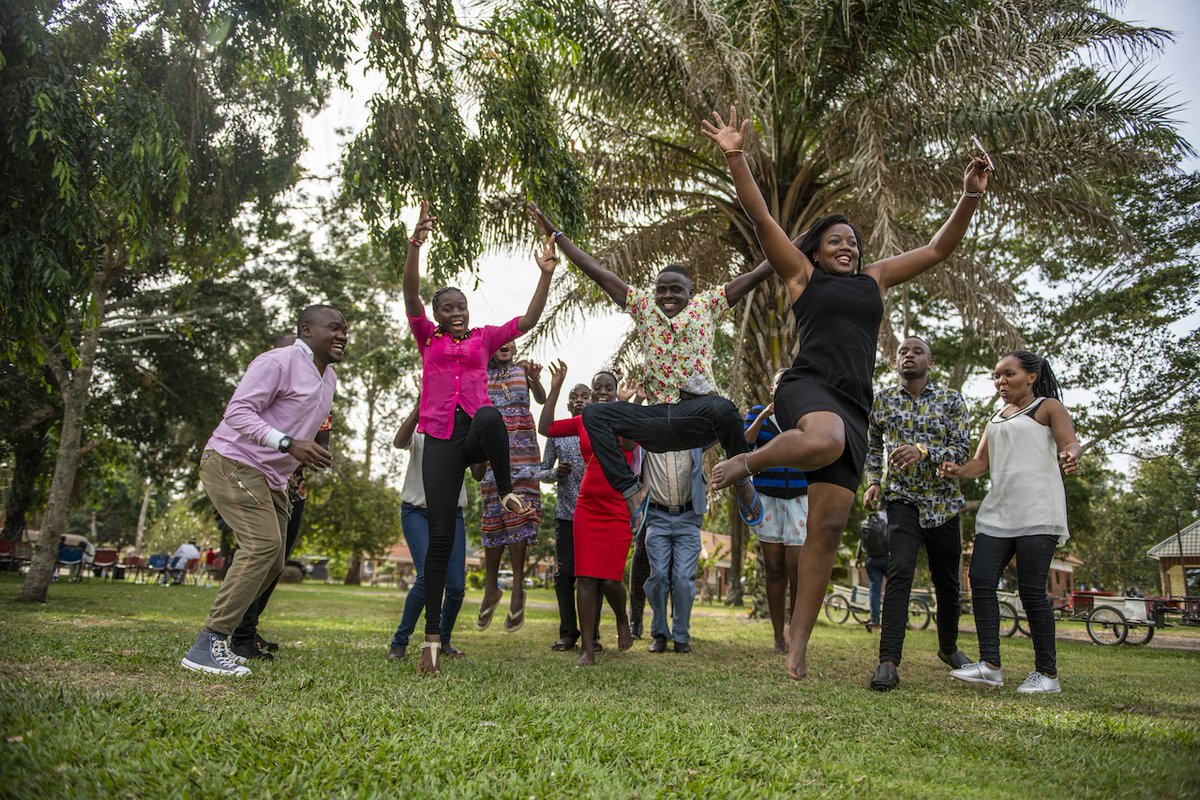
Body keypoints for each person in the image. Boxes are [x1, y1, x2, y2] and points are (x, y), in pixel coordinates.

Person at [702, 105, 990, 679]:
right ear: (814, 249)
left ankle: (799, 644)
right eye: (837, 240)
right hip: (807, 388)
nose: (849, 247)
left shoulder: (875, 278)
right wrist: (736, 156)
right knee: (824, 435)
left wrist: (970, 197)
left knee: (829, 528)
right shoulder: (801, 278)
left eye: (853, 241)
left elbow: (936, 251)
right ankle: (747, 461)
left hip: (856, 406)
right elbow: (763, 221)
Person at [526, 202, 776, 534]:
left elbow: (759, 272)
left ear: (691, 293)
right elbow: (597, 271)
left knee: (726, 409)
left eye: (676, 290)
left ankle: (743, 482)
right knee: (594, 415)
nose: (667, 295)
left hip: (696, 415)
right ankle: (632, 493)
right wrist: (557, 236)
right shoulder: (643, 307)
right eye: (661, 290)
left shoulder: (709, 305)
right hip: (657, 420)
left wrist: (802, 242)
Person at [404, 200, 555, 675]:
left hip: (475, 433)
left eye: (459, 306)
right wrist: (415, 245)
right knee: (442, 541)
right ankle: (431, 641)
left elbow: (527, 321)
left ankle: (507, 493)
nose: (453, 312)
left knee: (491, 416)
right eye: (444, 307)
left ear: (468, 310)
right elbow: (409, 295)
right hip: (440, 443)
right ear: (436, 313)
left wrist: (546, 274)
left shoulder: (486, 338)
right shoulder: (427, 339)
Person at [181, 304, 345, 676]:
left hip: (273, 477)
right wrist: (288, 443)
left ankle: (225, 640)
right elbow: (237, 413)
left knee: (273, 559)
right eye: (333, 328)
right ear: (306, 329)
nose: (341, 335)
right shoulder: (278, 361)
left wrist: (316, 448)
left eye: (345, 330)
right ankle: (207, 643)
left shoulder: (329, 377)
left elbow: (312, 425)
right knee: (262, 546)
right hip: (232, 461)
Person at [940, 351, 1080, 694]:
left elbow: (1069, 442)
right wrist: (957, 471)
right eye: (997, 377)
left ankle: (1047, 675)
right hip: (998, 512)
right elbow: (979, 462)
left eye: (1009, 375)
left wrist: (1072, 455)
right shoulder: (996, 418)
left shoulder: (1048, 407)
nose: (1001, 382)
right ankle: (990, 666)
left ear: (1031, 376)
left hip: (1038, 510)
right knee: (981, 579)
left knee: (1032, 591)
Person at [864, 336, 972, 691]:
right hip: (903, 500)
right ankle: (888, 661)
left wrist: (924, 450)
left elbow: (961, 446)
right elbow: (873, 446)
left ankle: (948, 648)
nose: (909, 355)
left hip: (943, 504)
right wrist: (874, 482)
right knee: (899, 573)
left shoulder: (950, 400)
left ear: (931, 361)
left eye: (918, 351)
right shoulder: (882, 401)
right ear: (896, 362)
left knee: (948, 582)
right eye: (903, 352)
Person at [228, 332, 333, 661]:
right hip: (250, 474)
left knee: (276, 558)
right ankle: (235, 632)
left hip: (292, 484)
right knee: (257, 553)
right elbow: (239, 420)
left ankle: (248, 629)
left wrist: (317, 449)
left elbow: (321, 442)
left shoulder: (320, 387)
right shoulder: (270, 374)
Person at [539, 368, 638, 666]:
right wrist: (554, 388)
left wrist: (624, 406)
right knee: (584, 577)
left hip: (617, 505)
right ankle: (587, 650)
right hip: (587, 506)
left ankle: (622, 619)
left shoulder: (624, 419)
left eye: (609, 387)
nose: (603, 392)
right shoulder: (583, 421)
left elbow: (630, 445)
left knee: (609, 581)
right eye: (599, 388)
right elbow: (546, 428)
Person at [388, 400, 469, 661]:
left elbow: (478, 471)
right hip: (417, 511)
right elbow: (399, 442)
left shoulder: (463, 427)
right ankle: (400, 641)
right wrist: (418, 408)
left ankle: (443, 640)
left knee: (456, 586)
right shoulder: (422, 424)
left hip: (452, 513)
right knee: (427, 577)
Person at [476, 343, 545, 633]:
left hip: (525, 451)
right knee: (494, 516)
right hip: (492, 451)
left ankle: (517, 587)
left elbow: (540, 399)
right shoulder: (480, 375)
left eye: (511, 343)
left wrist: (536, 378)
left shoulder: (523, 370)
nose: (505, 346)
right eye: (499, 343)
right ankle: (491, 588)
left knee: (520, 515)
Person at [744, 368, 810, 653]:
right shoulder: (757, 412)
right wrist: (763, 415)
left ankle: (795, 633)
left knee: (796, 568)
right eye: (778, 383)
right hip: (767, 497)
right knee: (773, 569)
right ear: (771, 388)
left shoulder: (805, 417)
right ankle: (777, 635)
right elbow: (746, 442)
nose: (783, 387)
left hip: (799, 497)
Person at [538, 363, 598, 651]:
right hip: (565, 517)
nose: (579, 400)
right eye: (575, 396)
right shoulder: (558, 433)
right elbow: (541, 470)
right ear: (568, 403)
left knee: (592, 577)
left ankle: (592, 635)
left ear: (592, 400)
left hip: (594, 516)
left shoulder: (599, 429)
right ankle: (567, 633)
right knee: (564, 576)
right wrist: (555, 473)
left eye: (584, 396)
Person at [642, 444, 708, 654]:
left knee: (682, 578)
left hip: (688, 517)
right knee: (659, 575)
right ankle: (659, 633)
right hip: (656, 516)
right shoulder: (647, 436)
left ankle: (681, 635)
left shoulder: (693, 434)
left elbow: (717, 424)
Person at [854, 515, 889, 632]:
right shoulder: (889, 517)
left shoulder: (868, 521)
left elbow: (861, 540)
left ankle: (874, 620)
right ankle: (897, 619)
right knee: (895, 588)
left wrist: (858, 557)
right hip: (888, 558)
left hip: (871, 558)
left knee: (874, 590)